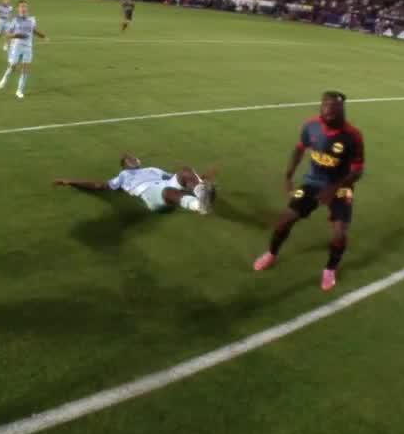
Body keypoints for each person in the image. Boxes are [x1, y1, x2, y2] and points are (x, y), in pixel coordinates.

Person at [253, 91, 365, 292]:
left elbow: (357, 171)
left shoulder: (353, 136)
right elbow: (299, 148)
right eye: (326, 111)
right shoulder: (311, 125)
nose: (329, 115)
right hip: (313, 182)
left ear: (342, 111)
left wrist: (334, 188)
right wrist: (288, 175)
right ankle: (271, 253)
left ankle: (330, 268)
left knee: (339, 234)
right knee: (285, 219)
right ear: (321, 109)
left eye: (335, 112)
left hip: (342, 186)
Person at [54, 154, 216, 214]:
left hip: (164, 184)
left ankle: (203, 192)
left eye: (133, 157)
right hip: (149, 193)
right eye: (128, 159)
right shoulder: (124, 175)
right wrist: (71, 182)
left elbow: (176, 178)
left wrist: (198, 178)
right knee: (168, 191)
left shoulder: (152, 169)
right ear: (124, 165)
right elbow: (100, 186)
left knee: (185, 170)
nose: (132, 159)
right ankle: (199, 205)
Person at [0, 0, 46, 99]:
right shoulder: (15, 20)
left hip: (28, 47)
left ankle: (19, 90)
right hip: (17, 46)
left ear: (27, 8)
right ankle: (5, 78)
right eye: (21, 7)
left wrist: (43, 36)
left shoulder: (32, 19)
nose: (23, 8)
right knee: (13, 66)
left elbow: (33, 30)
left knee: (25, 69)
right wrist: (15, 35)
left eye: (25, 7)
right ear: (18, 9)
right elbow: (7, 34)